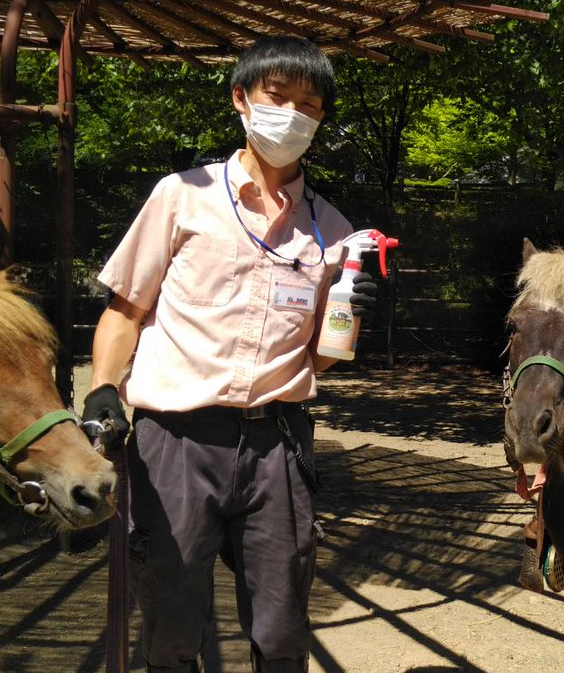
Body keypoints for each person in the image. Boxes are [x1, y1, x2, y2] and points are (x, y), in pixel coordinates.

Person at [81, 36, 376, 673]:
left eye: (310, 105)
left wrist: (352, 311)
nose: (293, 115)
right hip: (176, 440)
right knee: (172, 627)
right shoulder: (181, 195)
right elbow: (124, 309)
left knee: (282, 629)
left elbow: (319, 360)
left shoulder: (332, 228)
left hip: (280, 445)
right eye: (278, 97)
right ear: (241, 98)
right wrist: (104, 389)